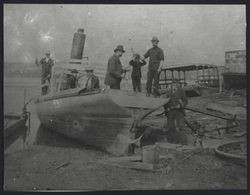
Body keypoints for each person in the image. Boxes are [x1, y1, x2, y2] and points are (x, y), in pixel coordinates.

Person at [164, 79, 188, 145]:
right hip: (170, 112)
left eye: (176, 83)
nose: (174, 85)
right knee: (171, 127)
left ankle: (184, 143)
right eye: (173, 83)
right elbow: (165, 102)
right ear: (171, 85)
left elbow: (185, 101)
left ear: (178, 84)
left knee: (181, 126)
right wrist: (167, 109)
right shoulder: (168, 92)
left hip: (179, 111)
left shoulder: (182, 91)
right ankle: (173, 142)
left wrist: (181, 105)